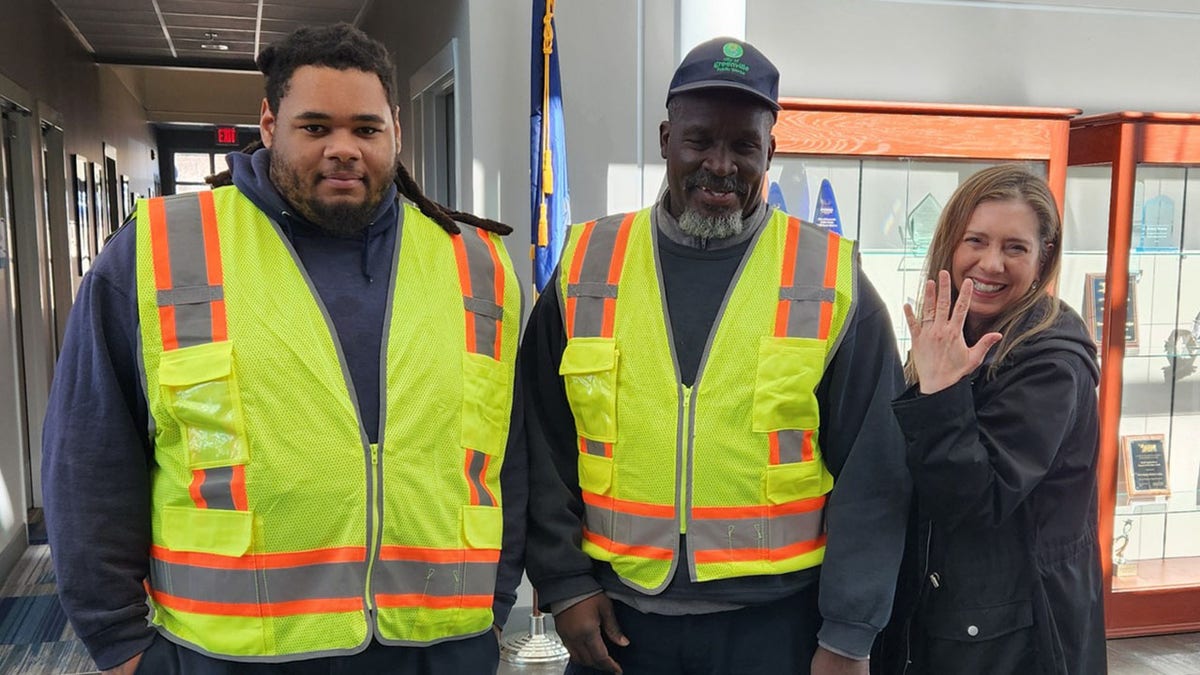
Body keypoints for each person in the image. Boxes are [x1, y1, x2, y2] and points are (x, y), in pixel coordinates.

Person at [42, 23, 526, 675]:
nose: (344, 149)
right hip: (233, 652)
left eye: (365, 128)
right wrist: (117, 639)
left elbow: (509, 454)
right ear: (269, 123)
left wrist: (493, 608)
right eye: (316, 127)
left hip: (439, 646)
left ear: (397, 128)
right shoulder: (164, 249)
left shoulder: (478, 263)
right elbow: (89, 452)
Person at [522, 37, 910, 674]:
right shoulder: (587, 265)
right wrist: (565, 583)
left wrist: (848, 634)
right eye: (700, 141)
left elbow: (875, 472)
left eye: (744, 146)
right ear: (665, 139)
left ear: (771, 153)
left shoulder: (831, 279)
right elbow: (543, 439)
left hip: (776, 627)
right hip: (619, 624)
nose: (722, 165)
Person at [874, 165, 1106, 673]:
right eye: (975, 240)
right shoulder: (952, 332)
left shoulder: (1051, 362)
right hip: (952, 618)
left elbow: (975, 499)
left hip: (1012, 638)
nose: (991, 263)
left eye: (1015, 247)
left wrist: (939, 391)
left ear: (1044, 255)